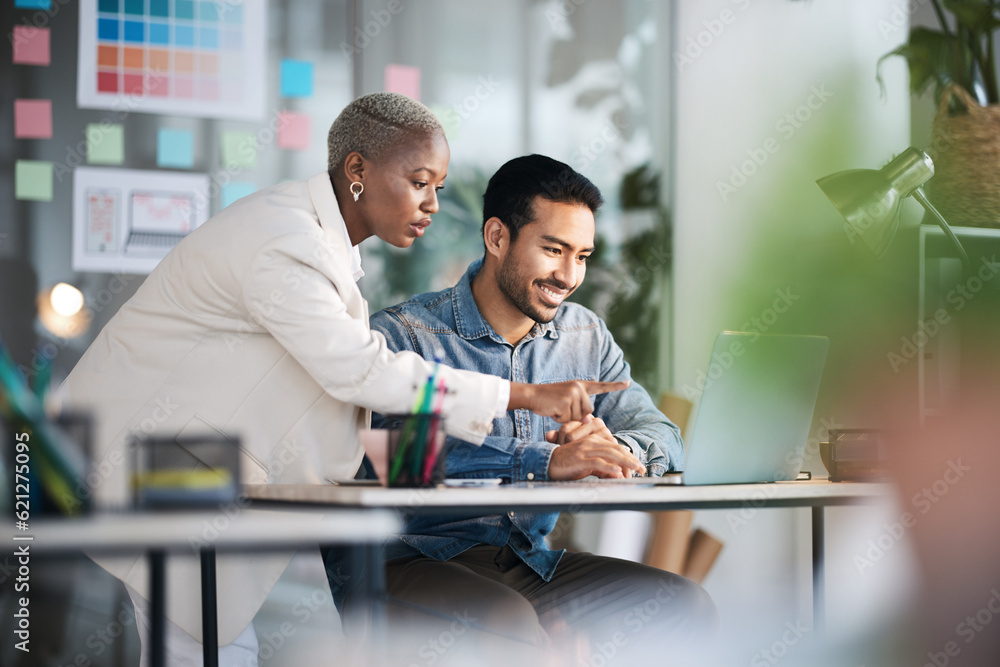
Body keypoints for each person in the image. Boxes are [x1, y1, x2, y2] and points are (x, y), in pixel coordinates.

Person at [59, 96, 625, 666]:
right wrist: (521, 398)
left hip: (191, 465)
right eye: (418, 182)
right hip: (158, 462)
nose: (432, 204)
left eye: (439, 187)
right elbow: (360, 371)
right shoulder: (286, 241)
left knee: (210, 644)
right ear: (357, 171)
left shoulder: (321, 245)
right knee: (204, 647)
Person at [328, 154, 718, 662]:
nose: (568, 275)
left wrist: (616, 448)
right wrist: (543, 461)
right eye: (553, 250)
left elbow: (659, 429)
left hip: (527, 563)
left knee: (683, 605)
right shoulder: (404, 334)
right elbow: (389, 456)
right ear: (496, 238)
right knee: (508, 623)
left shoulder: (583, 335)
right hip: (405, 561)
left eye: (582, 255)